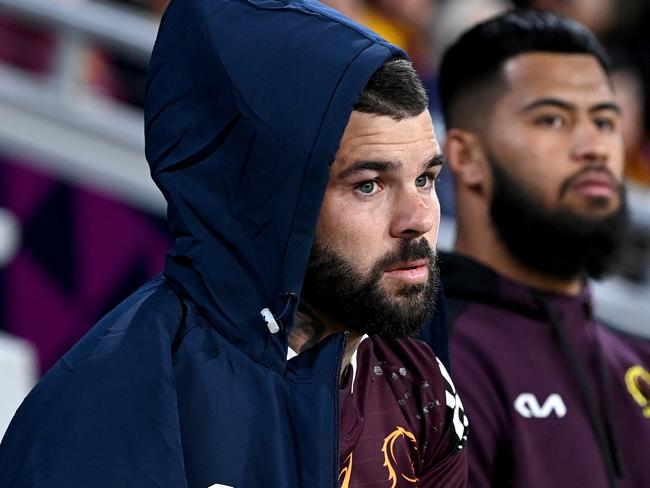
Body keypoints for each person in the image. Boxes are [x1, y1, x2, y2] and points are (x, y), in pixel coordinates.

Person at [0, 0, 468, 486]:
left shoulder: (416, 382)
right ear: (277, 199)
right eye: (368, 184)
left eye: (427, 180)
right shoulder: (119, 408)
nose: (417, 219)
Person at [427, 9, 650, 488]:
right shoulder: (421, 364)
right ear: (465, 157)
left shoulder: (639, 364)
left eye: (606, 121)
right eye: (552, 119)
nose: (594, 146)